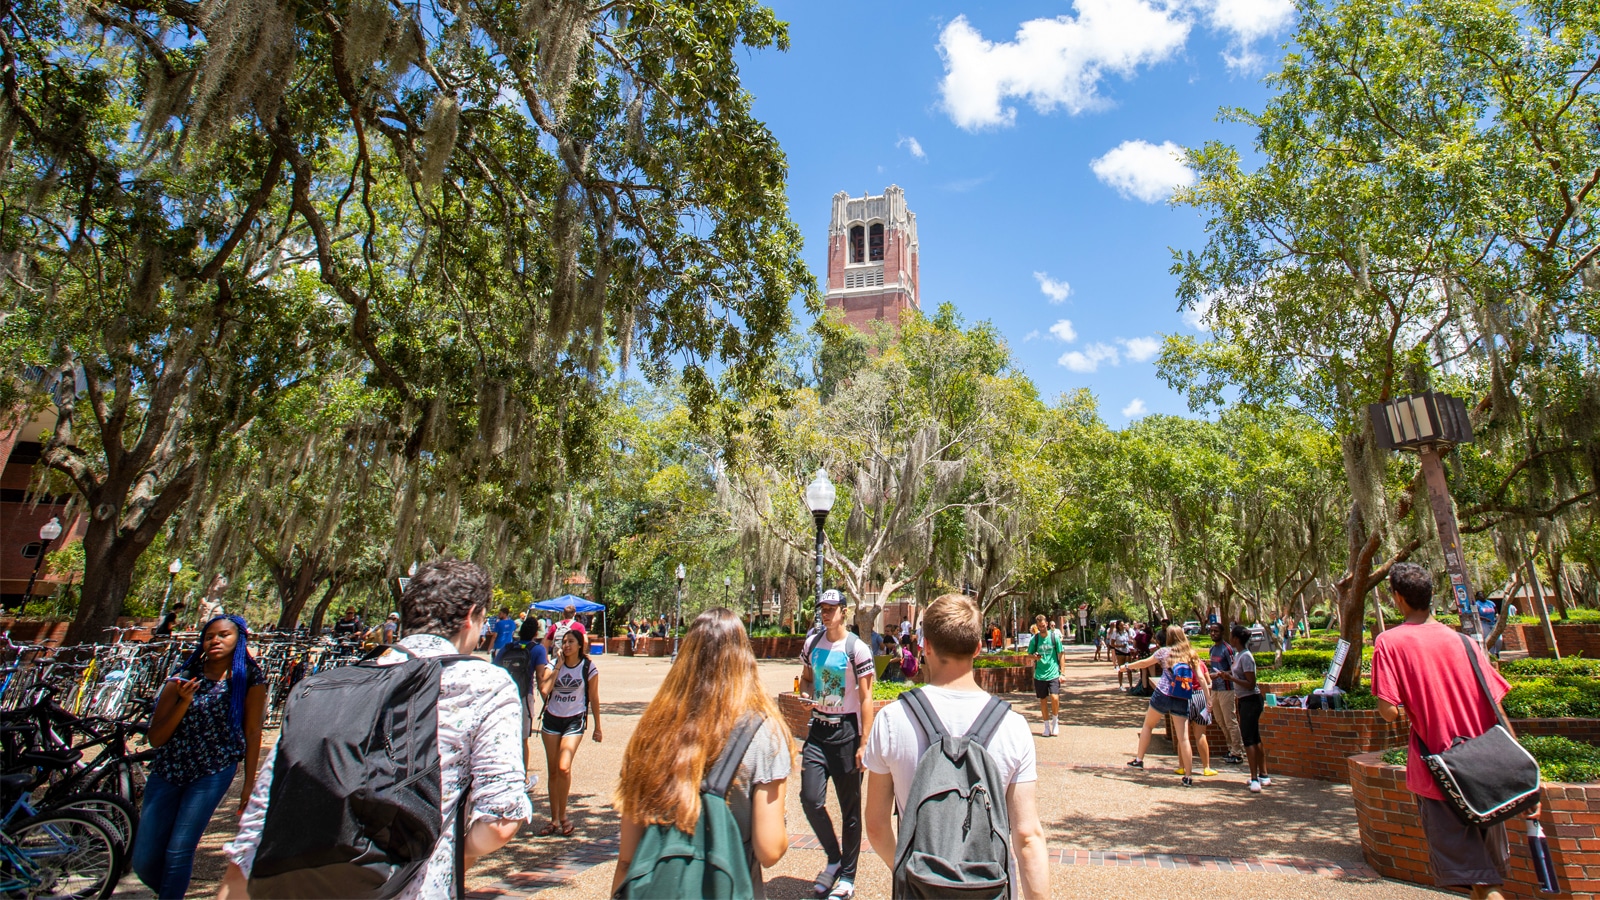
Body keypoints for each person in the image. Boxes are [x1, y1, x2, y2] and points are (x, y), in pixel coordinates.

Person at [220, 561, 531, 898]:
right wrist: (446, 850)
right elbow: (500, 821)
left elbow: (257, 828)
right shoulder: (482, 682)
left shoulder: (327, 687)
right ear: (471, 616)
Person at [863, 593, 1050, 899]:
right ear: (978, 647)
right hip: (989, 888)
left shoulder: (892, 720)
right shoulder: (1012, 726)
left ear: (926, 647)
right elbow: (1028, 837)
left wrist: (912, 873)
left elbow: (877, 825)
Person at [1373, 563, 1526, 900]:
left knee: (1483, 883)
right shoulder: (1466, 643)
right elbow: (1497, 708)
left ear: (1398, 598)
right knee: (1484, 879)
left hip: (1441, 774)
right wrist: (1522, 769)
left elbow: (1388, 711)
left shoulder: (1390, 642)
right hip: (1488, 771)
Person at [612, 608, 791, 897]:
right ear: (745, 659)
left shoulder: (651, 731)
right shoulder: (764, 733)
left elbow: (627, 859)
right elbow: (769, 849)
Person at [133, 614, 266, 898]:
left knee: (179, 849)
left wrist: (248, 784)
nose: (215, 640)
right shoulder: (183, 677)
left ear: (239, 640)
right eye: (209, 636)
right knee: (144, 859)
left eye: (223, 635)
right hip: (169, 768)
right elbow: (156, 738)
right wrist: (184, 701)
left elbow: (253, 732)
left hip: (213, 771)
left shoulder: (248, 679)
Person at [797, 589, 875, 900]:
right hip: (818, 730)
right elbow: (804, 679)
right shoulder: (812, 643)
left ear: (844, 611)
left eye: (832, 609)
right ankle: (834, 858)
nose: (826, 614)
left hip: (846, 732)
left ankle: (848, 876)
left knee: (850, 810)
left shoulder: (857, 649)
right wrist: (804, 695)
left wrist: (863, 742)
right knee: (810, 798)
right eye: (823, 609)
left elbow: (867, 697)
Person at [1119, 625, 1202, 786]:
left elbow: (1144, 663)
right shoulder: (1191, 654)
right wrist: (1207, 697)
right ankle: (1189, 776)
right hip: (1181, 696)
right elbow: (1200, 676)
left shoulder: (1164, 652)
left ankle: (1139, 759)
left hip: (1163, 693)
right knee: (1183, 737)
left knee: (1148, 725)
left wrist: (1127, 667)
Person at [541, 628, 602, 836]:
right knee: (553, 770)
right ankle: (554, 818)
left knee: (564, 767)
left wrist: (598, 727)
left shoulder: (588, 667)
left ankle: (564, 814)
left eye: (570, 642)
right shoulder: (553, 665)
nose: (566, 646)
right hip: (552, 719)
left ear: (579, 645)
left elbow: (594, 697)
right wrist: (557, 665)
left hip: (574, 720)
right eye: (564, 642)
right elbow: (544, 690)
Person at [495, 616, 552, 791]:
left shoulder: (507, 648)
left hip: (504, 696)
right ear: (536, 632)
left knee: (503, 738)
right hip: (523, 696)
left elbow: (495, 670)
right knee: (523, 739)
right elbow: (542, 679)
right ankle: (522, 779)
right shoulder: (537, 650)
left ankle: (502, 775)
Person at [1216, 623, 1269, 791]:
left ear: (1237, 639)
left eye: (1232, 636)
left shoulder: (1246, 657)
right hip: (1244, 700)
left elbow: (1250, 683)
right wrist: (1225, 674)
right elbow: (1237, 674)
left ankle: (1254, 778)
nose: (1229, 639)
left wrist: (1231, 680)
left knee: (1249, 739)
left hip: (1251, 700)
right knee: (1255, 737)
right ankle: (1264, 775)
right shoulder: (1239, 655)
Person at [1206, 623, 1246, 764]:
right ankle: (1231, 749)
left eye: (1216, 631)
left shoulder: (1227, 649)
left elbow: (1235, 669)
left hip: (1227, 689)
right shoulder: (1212, 649)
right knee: (1220, 721)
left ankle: (1238, 752)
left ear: (1222, 632)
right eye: (1211, 631)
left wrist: (1223, 674)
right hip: (1215, 689)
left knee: (1230, 721)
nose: (1213, 633)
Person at [1027, 614, 1065, 737]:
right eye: (1039, 626)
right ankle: (1046, 726)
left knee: (1054, 697)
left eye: (1043, 626)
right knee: (1043, 700)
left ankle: (1055, 722)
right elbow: (1029, 655)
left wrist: (1062, 672)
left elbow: (1061, 654)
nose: (1042, 628)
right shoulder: (1035, 639)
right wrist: (1035, 657)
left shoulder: (1054, 637)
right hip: (1040, 675)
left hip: (1053, 673)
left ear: (1047, 624)